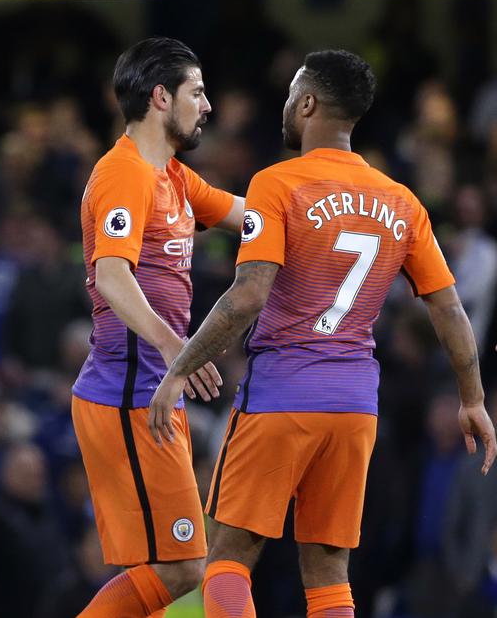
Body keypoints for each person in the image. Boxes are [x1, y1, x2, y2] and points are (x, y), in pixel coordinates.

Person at [151, 50, 497, 618]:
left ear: (307, 103)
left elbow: (249, 294)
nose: (285, 106)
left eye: (290, 95)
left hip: (281, 394)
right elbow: (451, 309)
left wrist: (181, 367)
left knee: (229, 557)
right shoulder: (402, 201)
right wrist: (473, 398)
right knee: (329, 573)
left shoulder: (278, 183)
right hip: (356, 406)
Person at [72, 37, 243, 616]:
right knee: (181, 566)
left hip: (153, 390)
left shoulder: (170, 175)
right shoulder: (123, 174)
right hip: (128, 395)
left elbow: (245, 216)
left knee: (174, 565)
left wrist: (323, 203)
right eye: (198, 92)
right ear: (161, 97)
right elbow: (113, 278)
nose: (208, 105)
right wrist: (180, 350)